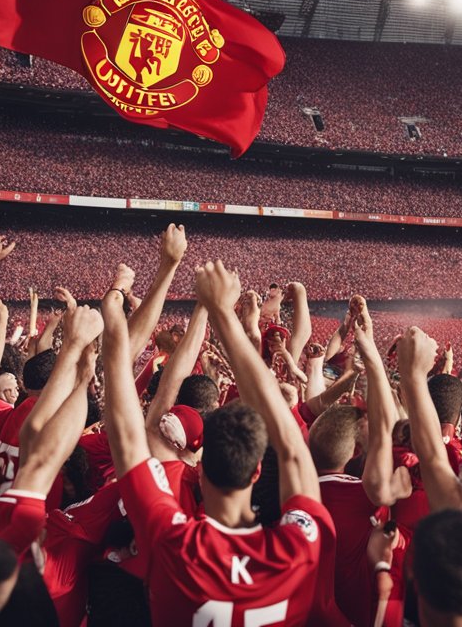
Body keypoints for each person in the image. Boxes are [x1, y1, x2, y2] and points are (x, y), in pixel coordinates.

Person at [101, 257, 332, 625]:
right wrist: (223, 314)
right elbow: (290, 444)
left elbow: (128, 436)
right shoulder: (300, 547)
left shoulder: (173, 542)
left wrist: (115, 340)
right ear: (257, 470)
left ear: (201, 468)